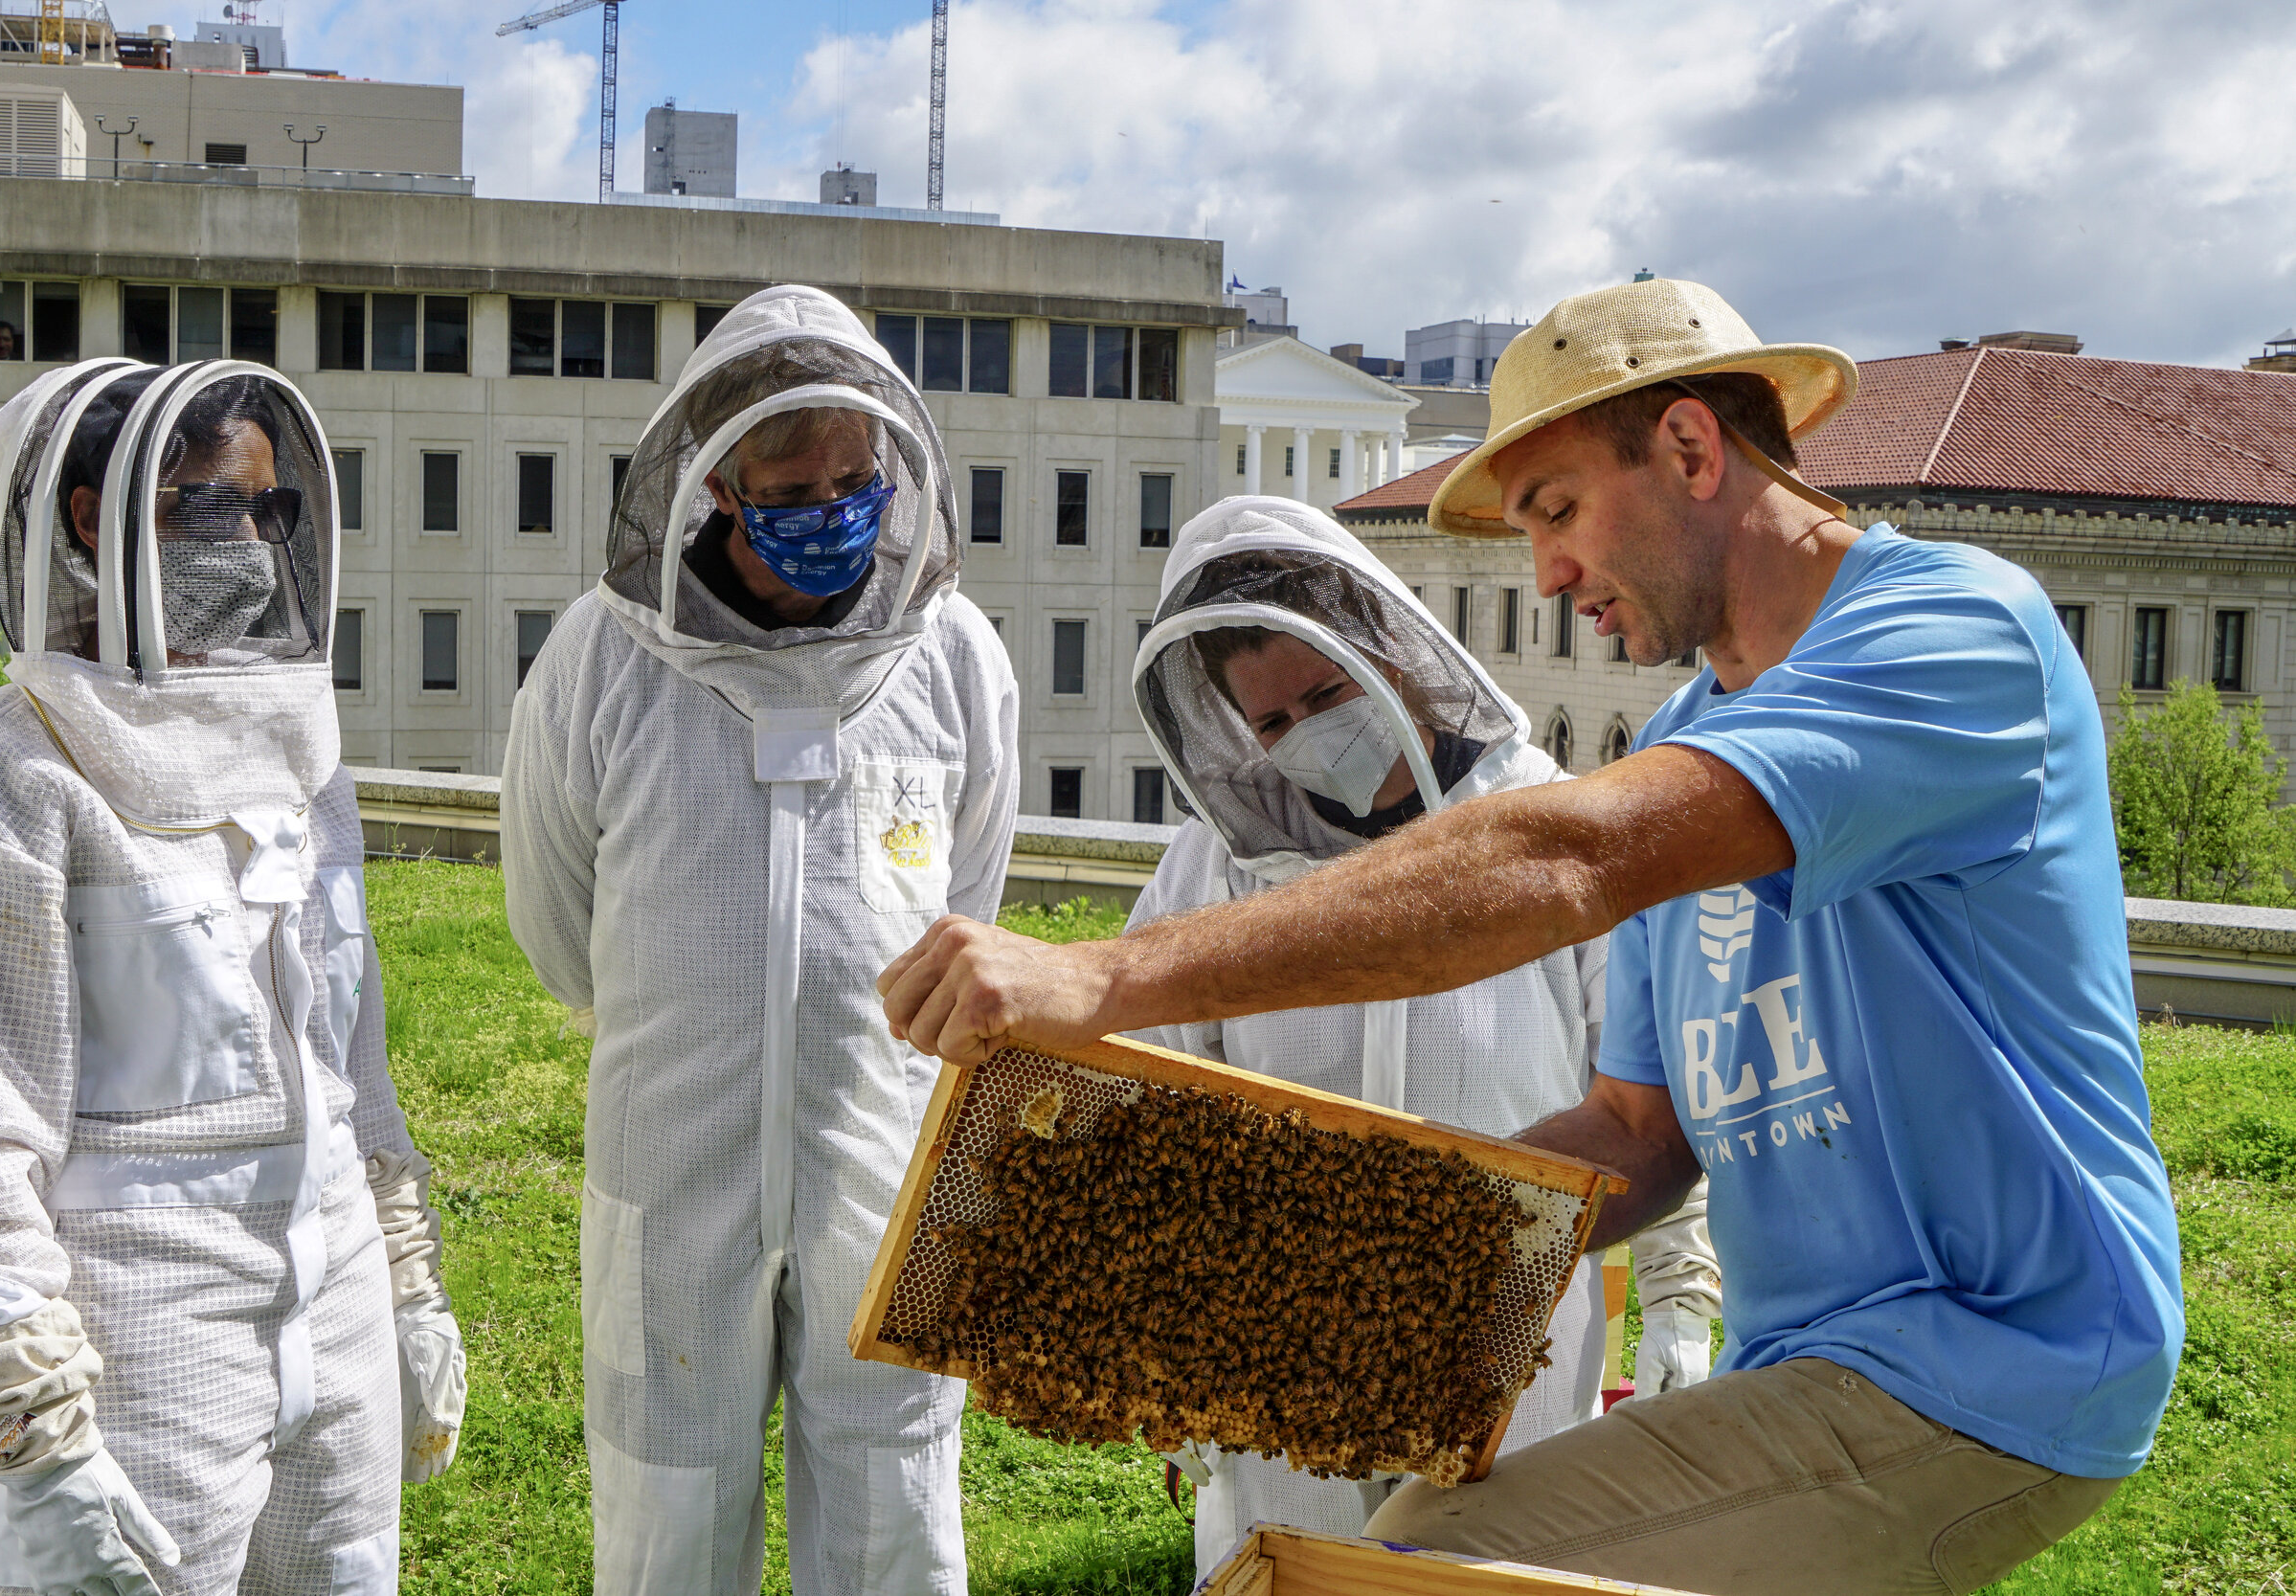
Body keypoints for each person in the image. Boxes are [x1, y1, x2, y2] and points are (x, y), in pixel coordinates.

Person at [879, 278, 2181, 1595]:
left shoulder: (1952, 630)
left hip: (2007, 1351)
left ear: (1689, 448)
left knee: (1415, 1562)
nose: (1549, 575)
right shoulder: (1684, 737)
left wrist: (1103, 977)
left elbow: (1565, 853)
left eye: (1556, 511)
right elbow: (1635, 1134)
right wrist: (1339, 1262)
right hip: (1820, 1363)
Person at [0, 356, 466, 1596]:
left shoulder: (303, 755)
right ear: (95, 516)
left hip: (336, 1290)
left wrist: (407, 1266)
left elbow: (342, 1045)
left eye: (273, 510)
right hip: (136, 1329)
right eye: (221, 506)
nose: (258, 541)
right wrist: (26, 1409)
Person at [502, 284, 1019, 1596]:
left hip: (889, 1160)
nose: (833, 494)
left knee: (896, 1505)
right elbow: (560, 924)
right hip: (672, 1163)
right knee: (668, 1514)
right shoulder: (602, 659)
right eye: (794, 468)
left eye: (857, 468)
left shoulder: (953, 654)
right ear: (717, 474)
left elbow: (972, 898)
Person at [1120, 495, 1716, 1575]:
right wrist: (1174, 1342)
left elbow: (1653, 1090)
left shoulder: (1544, 832)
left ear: (1392, 654)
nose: (1308, 733)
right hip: (1272, 1339)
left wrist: (1681, 1293)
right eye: (1271, 723)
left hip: (1508, 1335)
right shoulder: (1209, 869)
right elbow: (1153, 1108)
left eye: (1326, 693)